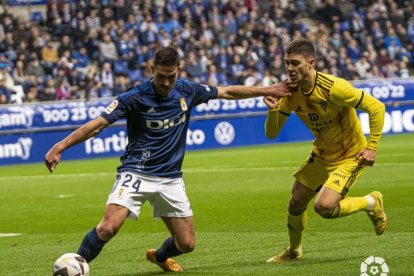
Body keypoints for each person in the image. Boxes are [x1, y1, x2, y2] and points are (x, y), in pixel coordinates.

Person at [44, 46, 292, 273]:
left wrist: (269, 89)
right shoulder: (135, 97)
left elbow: (226, 92)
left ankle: (160, 257)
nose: (165, 82)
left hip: (170, 178)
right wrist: (60, 146)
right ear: (152, 69)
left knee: (186, 244)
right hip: (136, 173)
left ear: (178, 71)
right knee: (108, 228)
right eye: (160, 75)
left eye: (170, 76)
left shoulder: (187, 90)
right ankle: (73, 267)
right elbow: (97, 125)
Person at [263, 39, 387, 264]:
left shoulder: (333, 88)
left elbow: (376, 107)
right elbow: (272, 134)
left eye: (295, 63)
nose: (289, 68)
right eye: (286, 63)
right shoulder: (289, 92)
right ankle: (294, 251)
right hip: (322, 154)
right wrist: (272, 111)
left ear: (310, 63)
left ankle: (371, 202)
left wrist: (372, 146)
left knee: (324, 206)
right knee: (295, 202)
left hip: (351, 154)